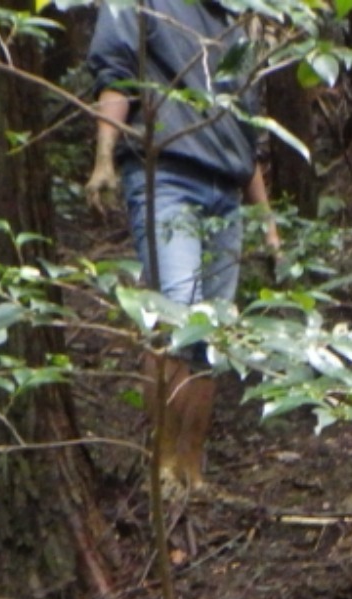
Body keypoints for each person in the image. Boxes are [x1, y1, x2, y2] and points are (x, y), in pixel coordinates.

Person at [85, 0, 282, 501]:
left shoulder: (235, 20)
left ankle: (192, 470)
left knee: (211, 334)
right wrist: (104, 156)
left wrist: (265, 217)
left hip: (229, 189)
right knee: (174, 320)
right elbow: (117, 74)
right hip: (167, 172)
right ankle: (163, 466)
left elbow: (247, 126)